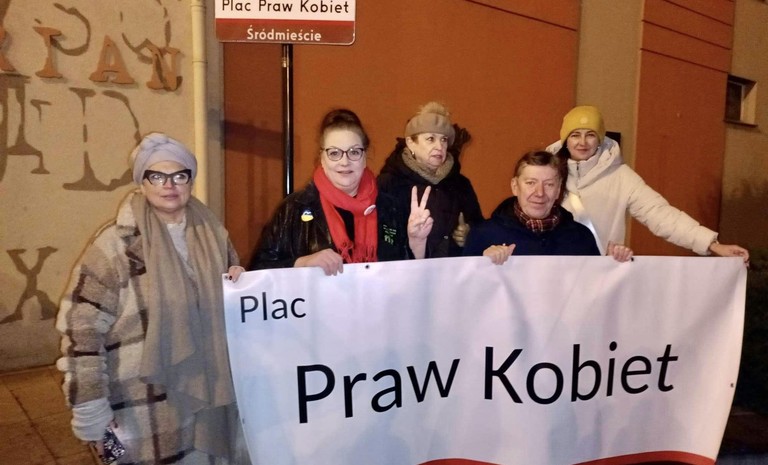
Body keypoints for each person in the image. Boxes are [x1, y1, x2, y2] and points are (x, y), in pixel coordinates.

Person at [56, 133, 248, 464]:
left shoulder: (214, 235)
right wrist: (92, 412)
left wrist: (239, 284)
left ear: (190, 180)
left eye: (179, 175)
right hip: (145, 413)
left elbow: (232, 310)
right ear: (142, 182)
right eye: (156, 176)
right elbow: (81, 332)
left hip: (211, 403)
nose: (168, 185)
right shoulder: (115, 246)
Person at [546, 105, 749, 262]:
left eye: (590, 135)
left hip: (602, 274)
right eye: (575, 135)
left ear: (600, 140)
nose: (582, 142)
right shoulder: (547, 173)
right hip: (553, 271)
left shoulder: (621, 177)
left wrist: (712, 245)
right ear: (565, 140)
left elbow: (660, 214)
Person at [248, 108, 421, 274]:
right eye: (334, 153)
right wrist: (302, 263)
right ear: (322, 158)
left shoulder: (390, 208)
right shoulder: (294, 209)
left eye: (354, 152)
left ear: (365, 157)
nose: (344, 162)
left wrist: (417, 242)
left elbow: (407, 277)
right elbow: (259, 270)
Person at [464, 150, 633, 264]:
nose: (540, 193)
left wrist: (611, 266)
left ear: (558, 190)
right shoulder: (483, 235)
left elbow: (594, 292)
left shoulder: (581, 237)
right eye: (531, 183)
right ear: (515, 186)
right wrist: (481, 264)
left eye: (549, 184)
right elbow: (465, 292)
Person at [377, 101, 483, 259]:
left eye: (444, 139)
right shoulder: (388, 183)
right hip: (403, 271)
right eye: (430, 139)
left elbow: (480, 228)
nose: (439, 146)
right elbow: (381, 238)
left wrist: (469, 235)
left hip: (452, 272)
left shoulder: (461, 185)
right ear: (411, 143)